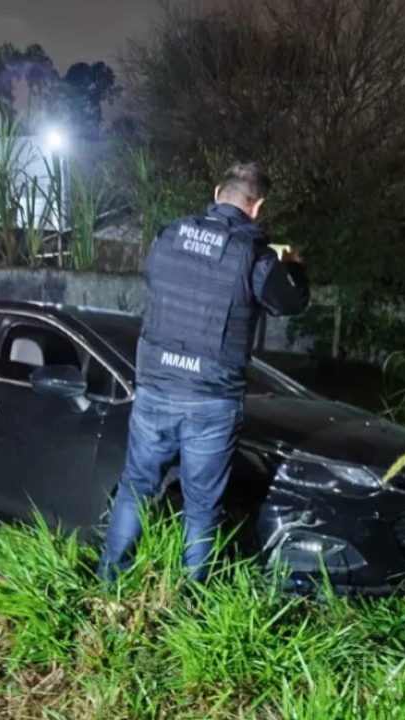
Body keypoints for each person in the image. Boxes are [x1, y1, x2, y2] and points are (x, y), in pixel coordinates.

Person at [98, 161, 311, 584]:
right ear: (257, 206)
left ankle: (110, 581)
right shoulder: (254, 256)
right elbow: (291, 303)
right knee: (201, 507)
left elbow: (155, 280)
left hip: (156, 388)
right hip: (211, 401)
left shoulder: (168, 236)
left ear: (217, 193)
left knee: (135, 487)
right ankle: (188, 599)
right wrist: (294, 265)